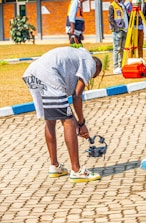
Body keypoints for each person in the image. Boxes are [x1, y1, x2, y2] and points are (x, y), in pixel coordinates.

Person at [22, 46, 102, 183]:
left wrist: (79, 121)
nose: (91, 77)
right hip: (48, 74)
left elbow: (70, 97)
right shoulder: (90, 63)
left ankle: (55, 166)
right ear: (97, 68)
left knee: (51, 120)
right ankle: (76, 171)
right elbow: (77, 96)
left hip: (32, 72)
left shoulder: (80, 56)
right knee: (69, 121)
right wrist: (81, 123)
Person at [108, 0, 129, 74]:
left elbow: (126, 17)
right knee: (117, 49)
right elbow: (110, 19)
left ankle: (121, 66)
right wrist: (116, 29)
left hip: (124, 30)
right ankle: (116, 67)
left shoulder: (122, 5)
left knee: (122, 49)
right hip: (117, 31)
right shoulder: (112, 6)